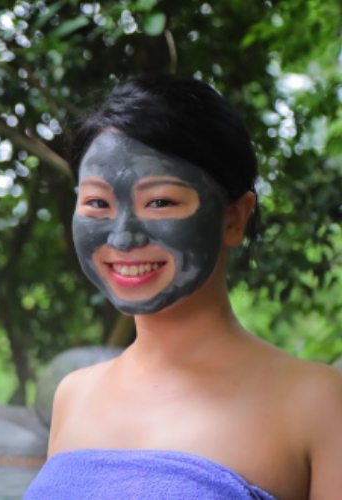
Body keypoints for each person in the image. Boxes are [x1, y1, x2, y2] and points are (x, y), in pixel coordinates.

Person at [24, 75, 342, 500]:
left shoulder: (316, 404)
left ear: (234, 218)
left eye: (160, 202)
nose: (122, 238)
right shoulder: (73, 394)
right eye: (98, 203)